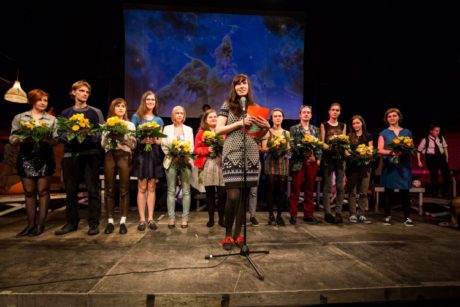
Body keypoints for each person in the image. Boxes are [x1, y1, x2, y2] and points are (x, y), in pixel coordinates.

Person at [216, 74, 270, 250]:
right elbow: (218, 130)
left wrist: (266, 129)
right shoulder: (227, 106)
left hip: (251, 155)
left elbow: (257, 136)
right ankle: (227, 235)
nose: (241, 86)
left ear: (248, 86)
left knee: (243, 200)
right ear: (234, 87)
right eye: (238, 84)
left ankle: (238, 235)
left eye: (244, 83)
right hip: (232, 153)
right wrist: (240, 123)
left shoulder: (255, 108)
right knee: (233, 197)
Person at [55, 80, 105, 236]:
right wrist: (73, 137)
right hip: (71, 155)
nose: (85, 94)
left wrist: (87, 135)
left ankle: (93, 223)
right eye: (82, 91)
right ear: (74, 92)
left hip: (90, 154)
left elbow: (101, 132)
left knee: (92, 190)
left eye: (87, 92)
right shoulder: (66, 113)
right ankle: (71, 222)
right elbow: (59, 134)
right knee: (71, 190)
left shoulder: (95, 112)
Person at [10, 89, 57, 236]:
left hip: (44, 156)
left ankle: (40, 225)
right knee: (29, 192)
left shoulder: (51, 119)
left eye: (45, 100)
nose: (43, 103)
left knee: (43, 191)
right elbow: (13, 138)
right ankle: (30, 224)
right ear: (32, 101)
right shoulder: (20, 117)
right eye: (40, 100)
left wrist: (46, 138)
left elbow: (55, 140)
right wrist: (19, 139)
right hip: (26, 156)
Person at [102, 98, 136, 234]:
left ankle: (123, 221)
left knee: (124, 189)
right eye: (118, 106)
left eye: (123, 106)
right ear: (113, 108)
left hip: (124, 155)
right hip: (110, 155)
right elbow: (103, 145)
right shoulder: (107, 124)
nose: (121, 108)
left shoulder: (130, 125)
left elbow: (134, 144)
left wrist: (123, 138)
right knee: (109, 188)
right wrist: (110, 136)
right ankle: (110, 221)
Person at [131, 91, 164, 231]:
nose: (150, 102)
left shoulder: (158, 120)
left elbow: (160, 141)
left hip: (154, 154)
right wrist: (143, 140)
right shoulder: (136, 117)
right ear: (144, 101)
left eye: (153, 100)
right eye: (148, 99)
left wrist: (154, 140)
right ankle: (142, 219)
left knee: (151, 186)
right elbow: (132, 137)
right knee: (142, 186)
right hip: (141, 154)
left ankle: (150, 218)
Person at [378, 108, 414, 226]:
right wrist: (392, 153)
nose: (392, 118)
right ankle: (387, 216)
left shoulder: (407, 132)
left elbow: (411, 147)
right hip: (390, 165)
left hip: (404, 165)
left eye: (394, 116)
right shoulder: (384, 133)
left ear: (399, 117)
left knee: (405, 192)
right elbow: (380, 150)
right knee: (389, 191)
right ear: (386, 119)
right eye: (389, 116)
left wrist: (403, 152)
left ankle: (407, 217)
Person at [161, 106, 194, 229]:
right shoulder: (167, 128)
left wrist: (183, 154)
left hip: (185, 161)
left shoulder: (189, 129)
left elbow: (191, 147)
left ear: (184, 115)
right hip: (171, 161)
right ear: (173, 115)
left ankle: (185, 218)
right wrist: (173, 154)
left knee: (186, 191)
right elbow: (164, 145)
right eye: (177, 113)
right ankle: (171, 218)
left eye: (181, 113)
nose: (179, 115)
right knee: (171, 191)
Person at [288, 105, 322, 225]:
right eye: (304, 112)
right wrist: (302, 153)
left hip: (312, 163)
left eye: (308, 112)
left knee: (310, 189)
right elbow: (292, 146)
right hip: (298, 162)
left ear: (311, 115)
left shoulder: (315, 129)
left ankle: (309, 214)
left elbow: (318, 146)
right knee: (295, 189)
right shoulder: (294, 129)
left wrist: (317, 160)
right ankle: (293, 214)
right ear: (300, 115)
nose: (306, 114)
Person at [194, 109, 226, 227]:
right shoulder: (201, 132)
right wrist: (207, 150)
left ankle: (222, 219)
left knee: (223, 193)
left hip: (221, 163)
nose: (213, 118)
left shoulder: (223, 131)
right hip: (207, 164)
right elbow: (196, 149)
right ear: (205, 120)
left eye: (215, 116)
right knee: (210, 194)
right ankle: (211, 219)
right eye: (210, 117)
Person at [261, 108, 290, 226]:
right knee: (271, 189)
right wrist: (273, 148)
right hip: (271, 161)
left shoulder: (286, 133)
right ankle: (271, 215)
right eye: (275, 116)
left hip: (282, 162)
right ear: (272, 118)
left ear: (283, 118)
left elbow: (288, 148)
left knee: (282, 190)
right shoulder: (267, 131)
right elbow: (263, 148)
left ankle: (279, 215)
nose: (278, 118)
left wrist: (285, 150)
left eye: (280, 116)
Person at [320, 102, 347, 223]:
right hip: (328, 158)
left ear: (340, 112)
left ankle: (338, 212)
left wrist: (345, 150)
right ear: (329, 111)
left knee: (340, 186)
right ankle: (327, 213)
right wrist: (331, 147)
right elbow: (322, 142)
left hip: (340, 159)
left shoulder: (343, 125)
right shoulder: (324, 125)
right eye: (333, 110)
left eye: (337, 110)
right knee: (328, 186)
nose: (335, 112)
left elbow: (344, 142)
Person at [346, 115, 373, 223]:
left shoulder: (368, 136)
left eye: (358, 123)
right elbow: (346, 151)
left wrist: (366, 155)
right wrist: (351, 156)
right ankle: (352, 213)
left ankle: (361, 213)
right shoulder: (349, 136)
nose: (356, 125)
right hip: (352, 167)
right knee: (352, 191)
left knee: (364, 191)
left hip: (365, 167)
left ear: (362, 123)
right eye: (353, 123)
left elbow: (371, 150)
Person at [417, 125, 450, 198]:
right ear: (431, 131)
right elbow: (418, 151)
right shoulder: (425, 139)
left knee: (447, 175)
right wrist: (419, 161)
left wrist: (446, 159)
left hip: (441, 158)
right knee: (434, 176)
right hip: (431, 158)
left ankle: (446, 192)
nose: (438, 132)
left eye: (439, 131)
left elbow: (445, 148)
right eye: (436, 131)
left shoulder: (441, 137)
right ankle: (434, 193)